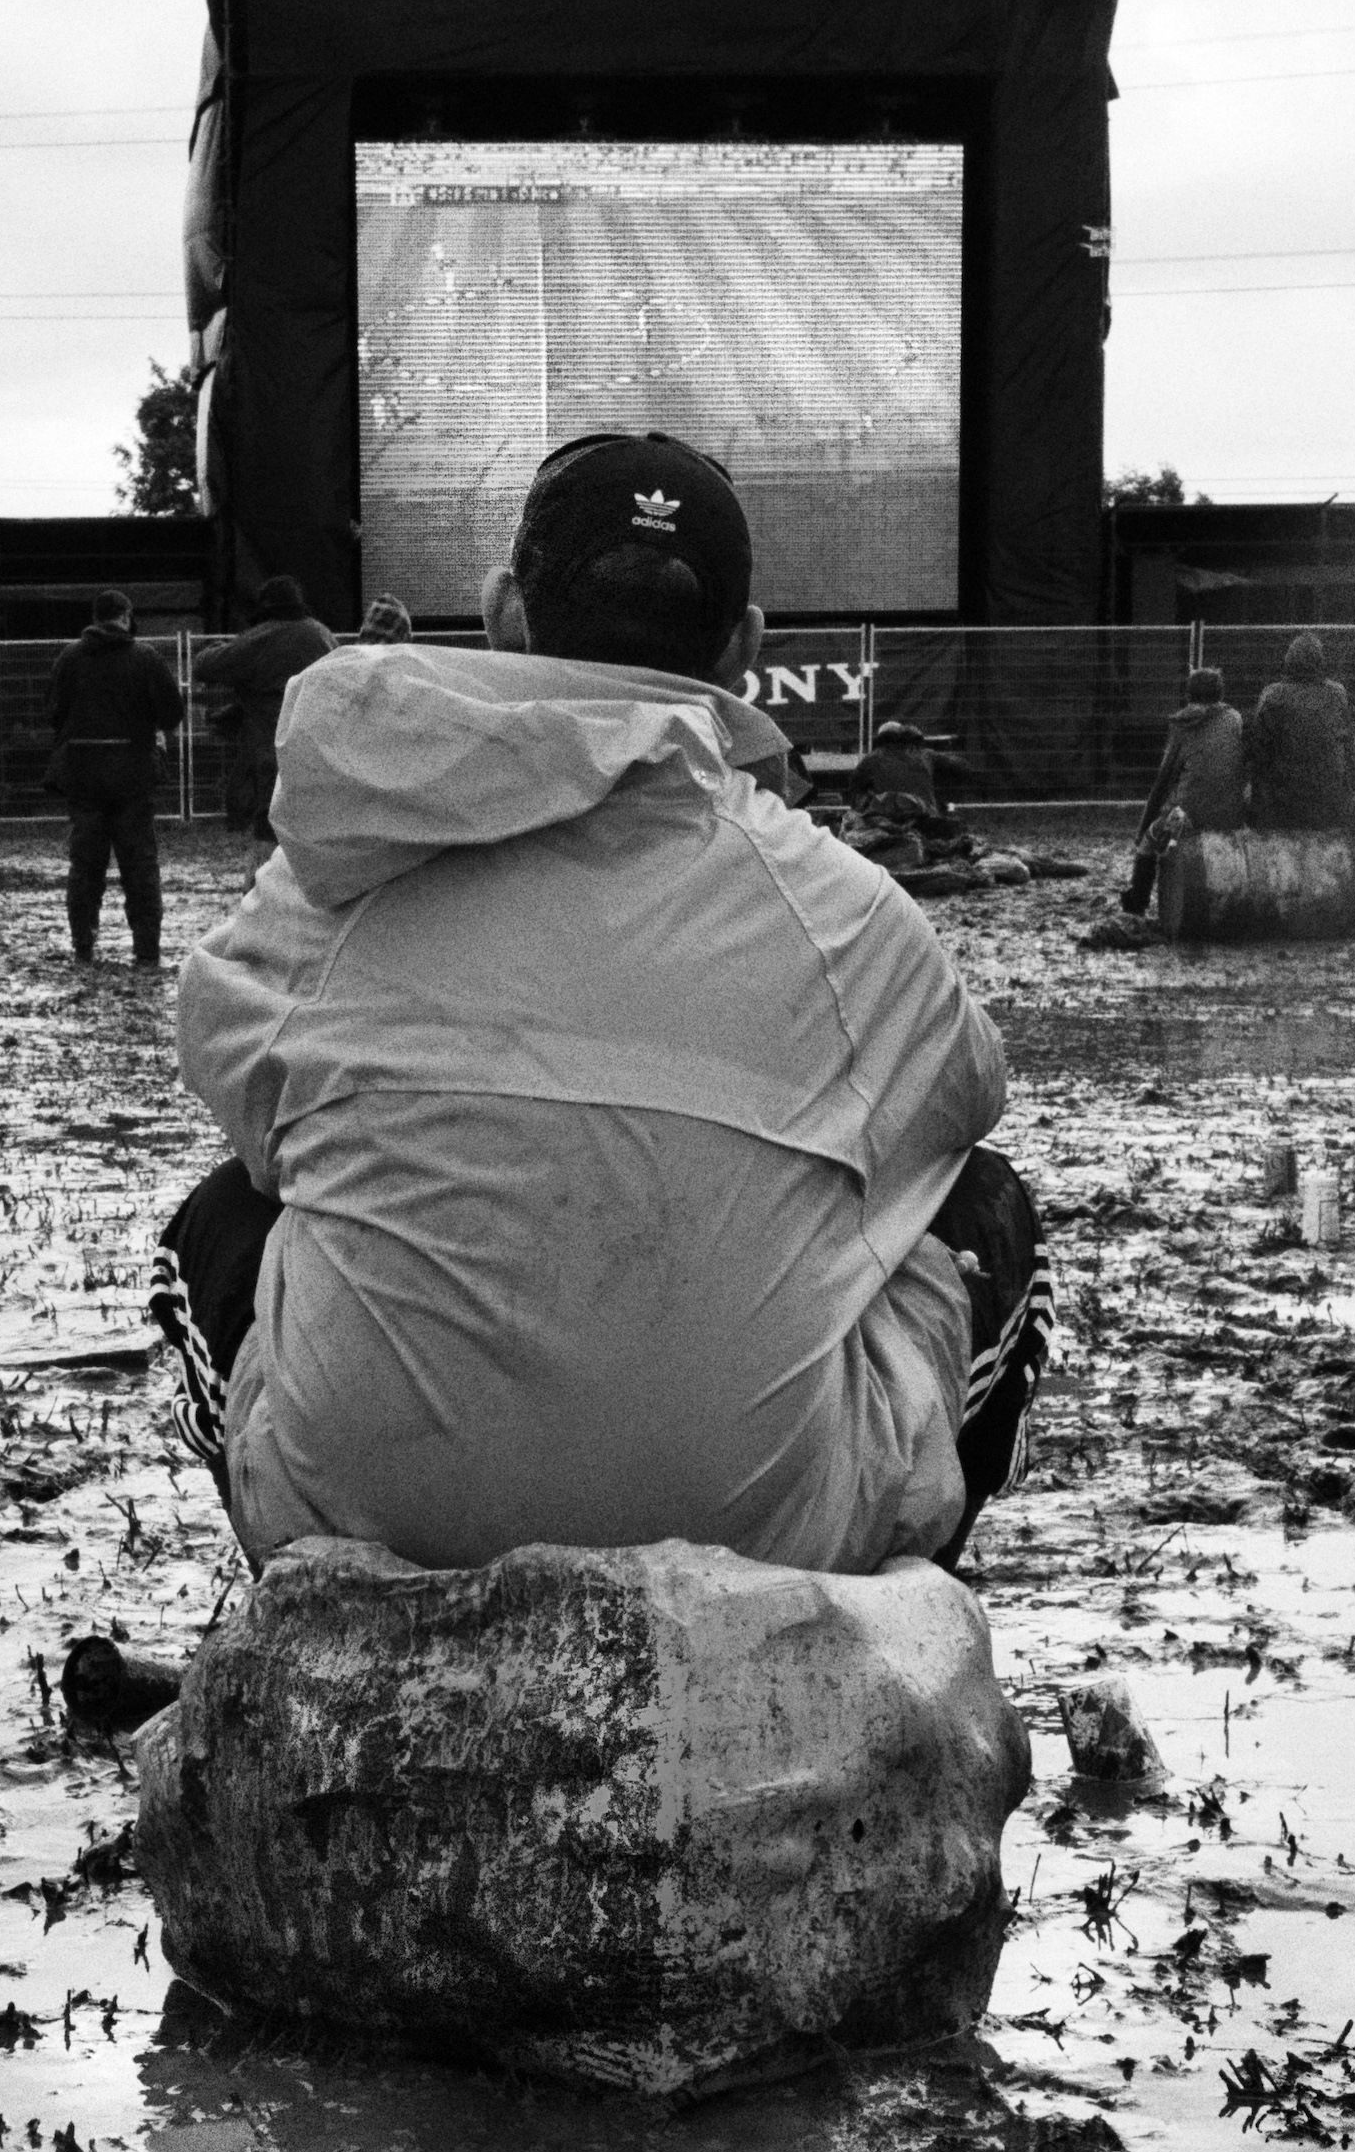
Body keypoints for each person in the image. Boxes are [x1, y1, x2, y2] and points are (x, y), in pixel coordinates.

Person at [151, 431, 1048, 1580]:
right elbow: (960, 1101)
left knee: (225, 1216)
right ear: (744, 650)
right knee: (979, 1201)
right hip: (775, 1541)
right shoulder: (848, 916)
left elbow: (236, 1089)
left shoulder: (335, 878)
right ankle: (868, 1623)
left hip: (364, 1523)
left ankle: (313, 1604)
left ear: (501, 612)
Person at [46, 589, 183, 969]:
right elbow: (172, 712)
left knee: (85, 866)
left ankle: (83, 948)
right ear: (125, 616)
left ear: (95, 617)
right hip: (133, 777)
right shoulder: (145, 658)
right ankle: (146, 951)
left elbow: (54, 711)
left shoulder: (69, 658)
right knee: (140, 866)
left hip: (83, 776)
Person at [192, 575, 335, 856]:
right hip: (320, 760)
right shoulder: (323, 636)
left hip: (271, 761)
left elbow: (205, 666)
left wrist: (220, 646)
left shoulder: (262, 637)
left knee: (268, 842)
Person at [1120, 666, 1244, 915]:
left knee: (1148, 844)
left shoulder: (1181, 725)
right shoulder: (1235, 719)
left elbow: (1164, 780)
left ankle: (1137, 902)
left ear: (1189, 694)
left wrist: (1143, 828)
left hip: (1189, 815)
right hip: (1231, 813)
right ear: (1220, 693)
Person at [1247, 632, 1354, 833]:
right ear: (1320, 660)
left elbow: (1259, 752)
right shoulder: (1337, 694)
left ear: (1289, 659)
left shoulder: (1273, 695)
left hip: (1284, 800)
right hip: (1327, 799)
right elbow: (1348, 745)